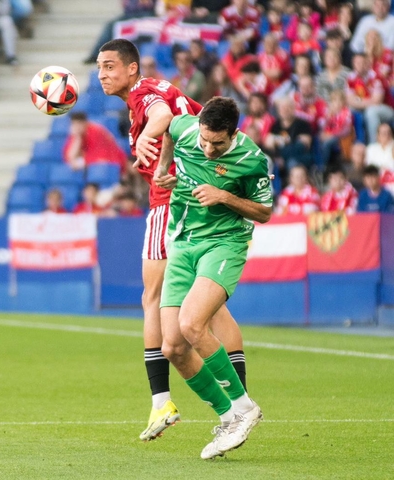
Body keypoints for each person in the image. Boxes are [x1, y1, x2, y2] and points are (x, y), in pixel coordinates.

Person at [97, 38, 250, 442]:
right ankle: (240, 404)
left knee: (153, 299)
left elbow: (161, 115)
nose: (102, 75)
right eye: (99, 67)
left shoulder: (146, 94)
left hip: (172, 204)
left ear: (132, 69)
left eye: (110, 66)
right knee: (211, 312)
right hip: (201, 201)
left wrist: (148, 134)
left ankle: (163, 400)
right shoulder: (161, 89)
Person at [152, 96, 272, 460]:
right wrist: (163, 167)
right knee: (172, 347)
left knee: (192, 324)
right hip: (183, 243)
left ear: (233, 134)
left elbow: (264, 211)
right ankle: (227, 415)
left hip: (224, 243)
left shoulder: (252, 160)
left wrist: (225, 196)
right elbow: (170, 126)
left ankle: (244, 407)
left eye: (217, 144)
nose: (207, 148)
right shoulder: (187, 128)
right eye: (204, 140)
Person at [346, 52, 394, 145]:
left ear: (368, 64)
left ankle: (374, 145)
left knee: (371, 112)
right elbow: (349, 100)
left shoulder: (376, 76)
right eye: (357, 63)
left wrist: (357, 100)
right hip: (365, 107)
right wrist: (363, 101)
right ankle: (354, 146)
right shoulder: (351, 77)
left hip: (386, 109)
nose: (360, 66)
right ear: (353, 64)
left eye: (363, 63)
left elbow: (377, 101)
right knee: (347, 110)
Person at [62, 112, 127, 173]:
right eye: (74, 124)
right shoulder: (75, 134)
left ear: (85, 123)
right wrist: (77, 139)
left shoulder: (96, 131)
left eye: (78, 124)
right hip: (92, 166)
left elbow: (100, 156)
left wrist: (82, 163)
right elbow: (70, 158)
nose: (76, 127)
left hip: (112, 161)